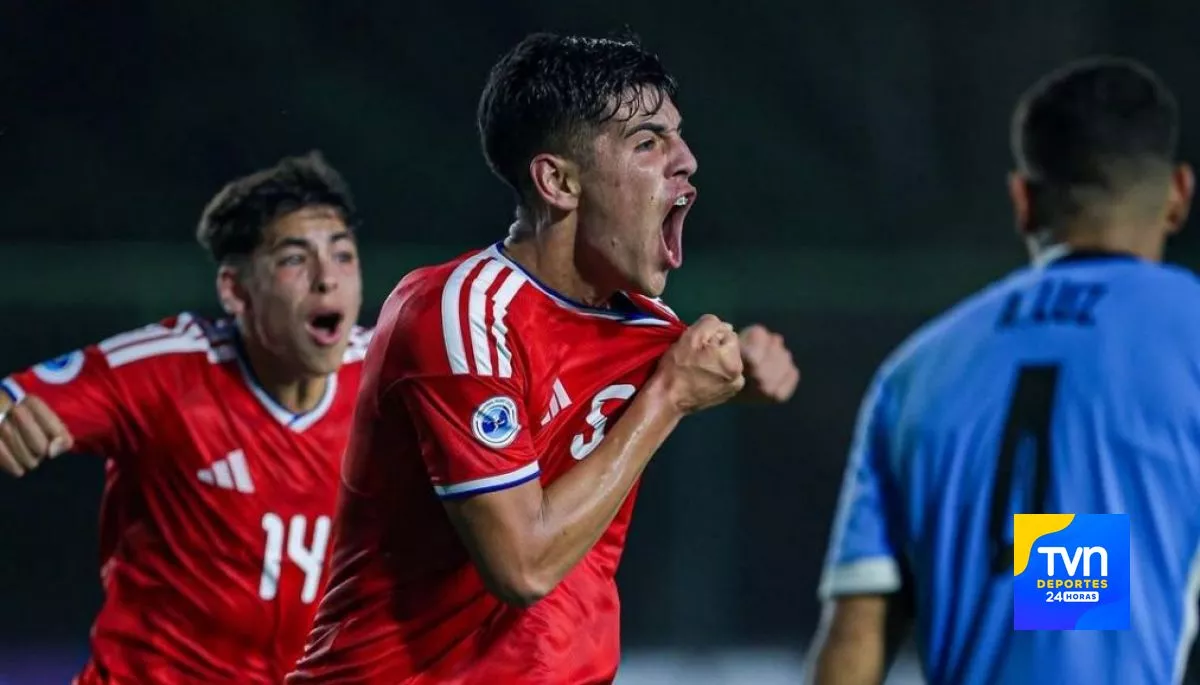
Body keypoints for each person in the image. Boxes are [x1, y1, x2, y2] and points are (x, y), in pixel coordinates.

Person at [287, 32, 799, 684]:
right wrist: (669, 397)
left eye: (679, 136)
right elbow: (521, 565)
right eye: (648, 142)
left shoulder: (645, 327)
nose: (687, 160)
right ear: (557, 180)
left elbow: (708, 374)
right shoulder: (458, 314)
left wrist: (751, 371)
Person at [808, 57, 1200, 685]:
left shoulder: (915, 371)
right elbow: (1072, 594)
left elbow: (858, 631)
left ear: (1023, 201)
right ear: (1178, 195)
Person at [0, 151, 369, 683]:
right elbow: (13, 401)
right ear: (234, 290)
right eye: (294, 259)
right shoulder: (166, 371)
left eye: (342, 256)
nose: (326, 280)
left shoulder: (390, 379)